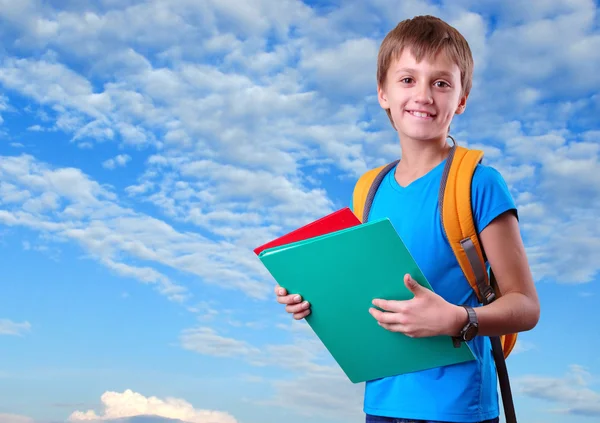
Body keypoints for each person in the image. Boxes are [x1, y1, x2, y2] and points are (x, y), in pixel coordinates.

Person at [274, 14, 540, 423]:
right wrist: (314, 299)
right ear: (383, 92)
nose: (424, 95)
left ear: (461, 99)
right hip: (381, 401)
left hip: (457, 408)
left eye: (441, 83)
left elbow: (525, 307)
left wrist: (459, 318)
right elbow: (363, 289)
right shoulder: (369, 190)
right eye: (407, 79)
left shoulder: (478, 184)